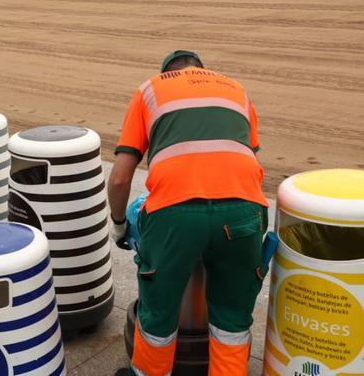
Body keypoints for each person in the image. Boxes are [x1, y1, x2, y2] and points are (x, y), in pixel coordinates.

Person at [108, 50, 269, 376]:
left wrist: (119, 225)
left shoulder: (150, 90)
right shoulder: (237, 90)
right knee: (232, 320)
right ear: (202, 71)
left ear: (167, 72)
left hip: (175, 215)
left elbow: (121, 177)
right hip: (244, 213)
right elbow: (246, 157)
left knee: (158, 313)